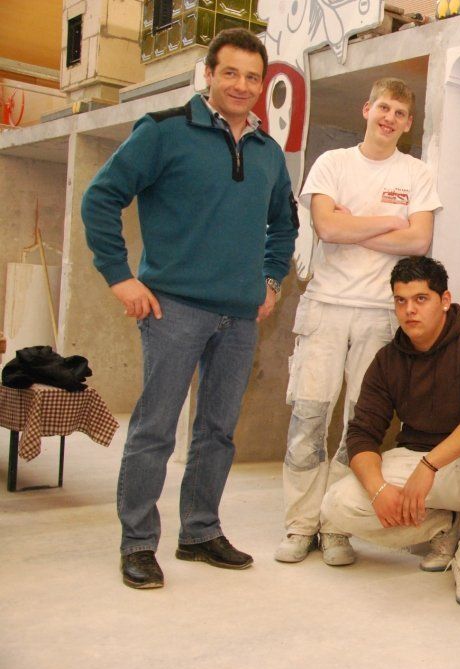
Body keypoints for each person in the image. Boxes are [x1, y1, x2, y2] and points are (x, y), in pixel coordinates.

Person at [82, 28, 298, 589]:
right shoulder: (163, 132)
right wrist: (120, 278)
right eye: (231, 73)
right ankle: (138, 543)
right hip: (172, 309)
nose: (242, 85)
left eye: (253, 77)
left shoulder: (268, 153)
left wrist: (270, 281)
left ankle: (200, 532)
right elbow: (100, 198)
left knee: (218, 431)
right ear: (208, 74)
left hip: (239, 317)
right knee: (155, 430)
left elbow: (284, 225)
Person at [275, 78, 442, 565]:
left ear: (408, 124)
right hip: (325, 309)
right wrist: (390, 221)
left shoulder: (417, 173)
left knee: (359, 427)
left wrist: (355, 227)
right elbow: (326, 226)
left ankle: (336, 526)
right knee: (308, 420)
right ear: (367, 109)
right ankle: (300, 525)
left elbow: (419, 242)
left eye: (400, 113)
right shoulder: (333, 163)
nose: (389, 118)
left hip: (380, 316)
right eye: (383, 108)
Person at [320, 256, 460, 607]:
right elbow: (362, 433)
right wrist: (379, 490)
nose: (409, 310)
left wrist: (430, 465)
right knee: (337, 504)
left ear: (445, 300)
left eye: (420, 299)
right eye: (400, 301)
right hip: (415, 460)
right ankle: (443, 525)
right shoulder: (388, 359)